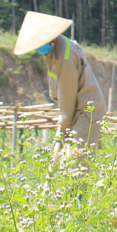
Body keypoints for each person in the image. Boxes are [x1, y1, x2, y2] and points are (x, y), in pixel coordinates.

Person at [14, 11, 106, 154]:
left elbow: (67, 98)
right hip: (77, 110)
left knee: (75, 164)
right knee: (70, 162)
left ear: (48, 38)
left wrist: (62, 129)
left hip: (86, 111)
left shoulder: (63, 57)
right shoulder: (57, 48)